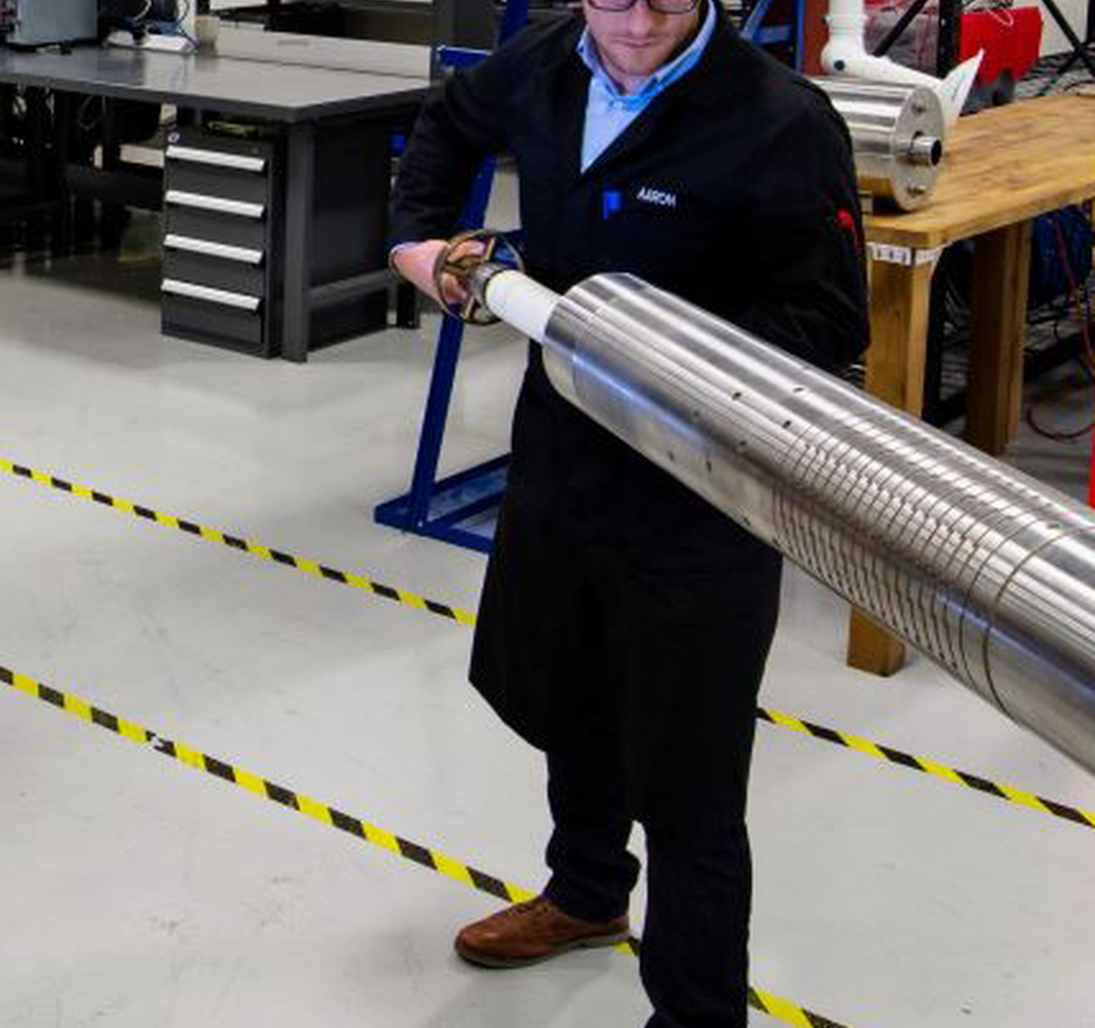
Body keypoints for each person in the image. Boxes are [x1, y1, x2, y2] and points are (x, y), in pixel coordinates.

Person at [389, 2, 869, 1025]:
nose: (639, 20)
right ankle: (586, 894)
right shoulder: (548, 63)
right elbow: (448, 121)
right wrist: (421, 243)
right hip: (563, 461)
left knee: (692, 789)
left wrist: (641, 340)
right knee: (574, 697)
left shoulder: (781, 118)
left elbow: (829, 319)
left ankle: (696, 1012)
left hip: (700, 499)